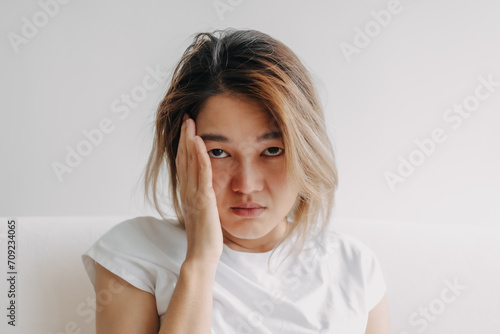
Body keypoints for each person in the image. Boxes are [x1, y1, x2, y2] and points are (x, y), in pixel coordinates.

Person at [81, 28, 390, 333]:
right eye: (218, 152)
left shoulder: (353, 266)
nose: (247, 184)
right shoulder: (134, 251)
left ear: (305, 151)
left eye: (272, 150)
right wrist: (200, 260)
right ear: (183, 154)